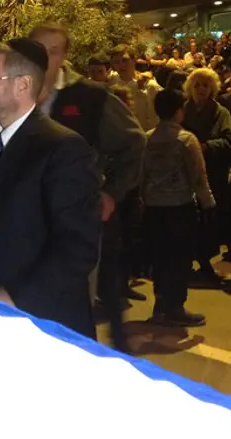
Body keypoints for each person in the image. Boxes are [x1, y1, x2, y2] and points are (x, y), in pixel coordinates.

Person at [0, 39, 101, 338]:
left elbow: (77, 247)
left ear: (22, 85)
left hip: (42, 323)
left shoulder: (64, 149)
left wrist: (15, 296)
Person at [29, 23, 145, 352]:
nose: (45, 58)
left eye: (53, 51)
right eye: (38, 49)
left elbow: (134, 143)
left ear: (64, 55)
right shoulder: (17, 94)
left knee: (74, 311)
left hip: (78, 223)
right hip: (31, 223)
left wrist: (112, 193)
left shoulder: (91, 97)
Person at [143, 89, 214, 326]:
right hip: (180, 207)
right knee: (180, 258)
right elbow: (198, 177)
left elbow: (141, 175)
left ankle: (160, 305)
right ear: (177, 111)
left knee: (159, 257)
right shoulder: (186, 140)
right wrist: (209, 205)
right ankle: (176, 308)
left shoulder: (147, 139)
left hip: (154, 208)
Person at [182, 68, 231, 286]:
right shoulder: (183, 110)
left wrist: (207, 146)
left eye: (205, 85)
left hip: (213, 173)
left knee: (210, 219)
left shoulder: (221, 113)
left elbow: (229, 140)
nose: (201, 89)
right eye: (197, 85)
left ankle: (206, 263)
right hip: (187, 174)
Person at [109, 44, 162, 132]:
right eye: (116, 62)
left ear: (134, 60)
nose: (121, 65)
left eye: (125, 60)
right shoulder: (110, 82)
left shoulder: (150, 85)